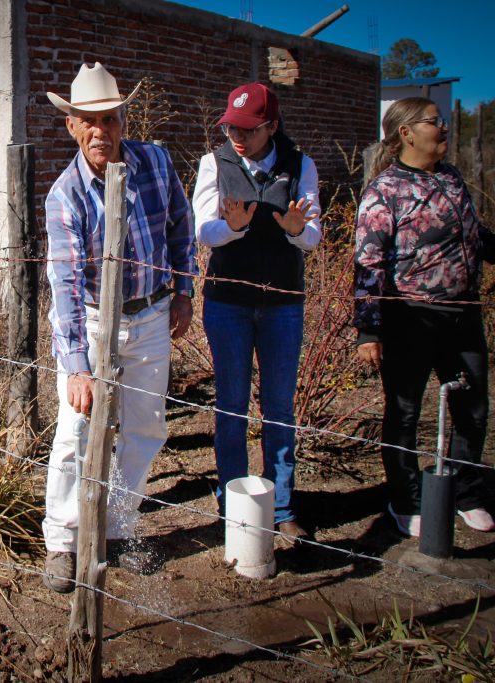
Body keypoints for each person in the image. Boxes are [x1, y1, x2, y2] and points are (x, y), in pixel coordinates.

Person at [42, 62, 196, 593]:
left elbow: (181, 223)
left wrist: (183, 290)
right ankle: (63, 542)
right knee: (76, 433)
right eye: (88, 121)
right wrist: (77, 367)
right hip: (91, 320)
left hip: (151, 314)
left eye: (108, 119)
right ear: (71, 125)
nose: (99, 132)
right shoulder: (65, 196)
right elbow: (64, 285)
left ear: (123, 119)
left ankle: (116, 527)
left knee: (146, 427)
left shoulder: (154, 161)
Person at [354, 96, 495, 537]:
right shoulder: (385, 192)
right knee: (406, 413)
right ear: (406, 133)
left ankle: (466, 493)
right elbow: (368, 264)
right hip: (412, 318)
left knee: (472, 408)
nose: (445, 128)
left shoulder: (452, 179)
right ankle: (407, 500)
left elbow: (473, 233)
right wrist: (368, 328)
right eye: (435, 121)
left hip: (464, 313)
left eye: (444, 120)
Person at [191, 82, 321, 545]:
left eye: (248, 129)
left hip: (284, 302)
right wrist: (232, 228)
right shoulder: (215, 163)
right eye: (230, 128)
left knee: (280, 408)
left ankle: (282, 506)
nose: (237, 138)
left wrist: (294, 232)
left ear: (272, 126)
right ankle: (234, 503)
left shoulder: (300, 165)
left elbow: (314, 235)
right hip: (227, 302)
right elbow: (202, 230)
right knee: (230, 405)